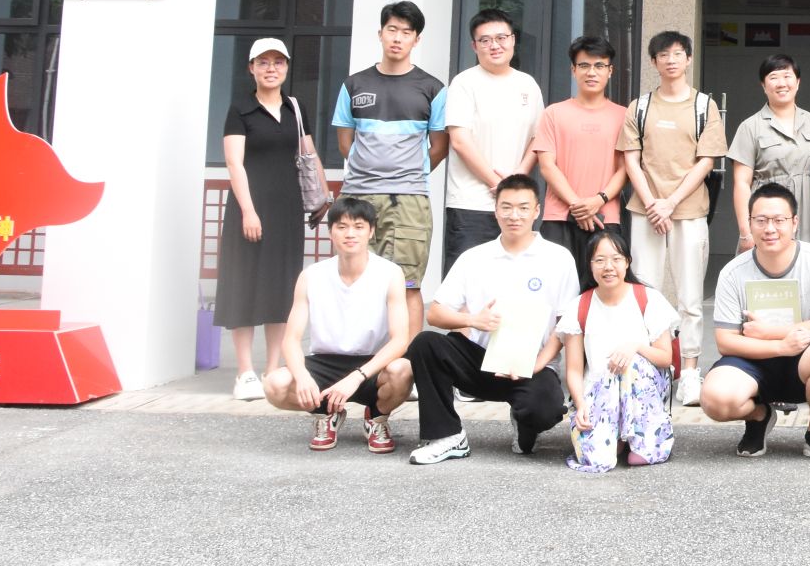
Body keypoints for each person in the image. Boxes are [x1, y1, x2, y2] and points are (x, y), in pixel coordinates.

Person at [405, 174, 581, 465]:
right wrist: (473, 320)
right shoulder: (474, 258)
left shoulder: (558, 258)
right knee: (426, 344)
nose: (514, 215)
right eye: (506, 207)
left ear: (537, 211)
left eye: (523, 208)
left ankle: (524, 422)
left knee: (545, 409)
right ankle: (447, 435)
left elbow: (566, 324)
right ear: (495, 210)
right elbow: (435, 313)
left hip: (532, 365)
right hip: (480, 360)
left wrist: (537, 363)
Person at [700, 182, 810, 464]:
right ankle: (759, 416)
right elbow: (725, 341)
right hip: (753, 362)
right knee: (715, 399)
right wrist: (781, 346)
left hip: (805, 359)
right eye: (761, 220)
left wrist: (771, 332)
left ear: (794, 223)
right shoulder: (733, 272)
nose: (770, 228)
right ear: (749, 224)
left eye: (779, 220)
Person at [620, 30, 728, 407]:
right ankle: (649, 367)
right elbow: (631, 159)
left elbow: (707, 160)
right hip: (645, 210)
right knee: (645, 292)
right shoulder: (640, 106)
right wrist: (653, 202)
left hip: (689, 210)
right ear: (653, 62)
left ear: (688, 59)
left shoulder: (703, 106)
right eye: (663, 55)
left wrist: (670, 202)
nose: (671, 60)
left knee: (691, 296)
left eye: (678, 54)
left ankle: (691, 371)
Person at [333, 2, 448, 341]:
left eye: (406, 32)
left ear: (417, 39)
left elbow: (439, 147)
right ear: (380, 34)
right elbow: (345, 143)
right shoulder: (354, 85)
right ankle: (354, 356)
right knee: (352, 280)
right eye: (392, 30)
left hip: (408, 199)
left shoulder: (432, 88)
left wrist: (407, 173)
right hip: (357, 196)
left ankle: (407, 363)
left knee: (407, 283)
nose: (398, 38)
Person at [263, 196, 413, 453]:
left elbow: (400, 339)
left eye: (358, 226)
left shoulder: (390, 273)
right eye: (342, 227)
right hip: (324, 362)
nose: (350, 234)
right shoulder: (311, 276)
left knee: (403, 370)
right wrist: (302, 377)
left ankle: (376, 417)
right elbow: (291, 339)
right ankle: (326, 413)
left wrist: (357, 377)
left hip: (371, 364)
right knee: (274, 385)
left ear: (371, 231)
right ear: (331, 232)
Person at [216, 37, 318, 401]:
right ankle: (244, 372)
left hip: (287, 211)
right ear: (251, 68)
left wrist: (321, 197)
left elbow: (309, 154)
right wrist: (248, 210)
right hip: (249, 210)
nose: (271, 68)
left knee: (281, 290)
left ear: (287, 67)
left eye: (278, 62)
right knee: (243, 286)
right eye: (263, 62)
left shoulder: (296, 109)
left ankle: (272, 368)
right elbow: (234, 163)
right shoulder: (240, 109)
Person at [562, 229, 676, 474]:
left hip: (643, 388)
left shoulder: (648, 298)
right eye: (599, 260)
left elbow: (665, 358)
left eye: (616, 259)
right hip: (598, 389)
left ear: (627, 262)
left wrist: (635, 347)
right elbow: (574, 370)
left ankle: (641, 439)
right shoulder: (579, 305)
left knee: (631, 363)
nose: (608, 267)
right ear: (590, 265)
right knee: (597, 460)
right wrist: (580, 404)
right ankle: (617, 436)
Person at [441, 8, 544, 278]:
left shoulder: (528, 85)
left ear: (513, 40)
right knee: (466, 281)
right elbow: (460, 141)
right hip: (471, 203)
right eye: (485, 40)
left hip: (517, 207)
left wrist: (518, 177)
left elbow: (538, 138)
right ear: (474, 46)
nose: (494, 45)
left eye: (501, 38)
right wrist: (498, 184)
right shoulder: (464, 83)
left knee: (514, 280)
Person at [531, 34, 628, 289]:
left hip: (605, 217)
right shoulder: (553, 113)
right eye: (584, 65)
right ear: (573, 70)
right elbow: (546, 165)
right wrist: (577, 205)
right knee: (554, 289)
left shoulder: (624, 116)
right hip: (559, 217)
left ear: (610, 71)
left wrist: (598, 200)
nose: (591, 72)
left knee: (603, 291)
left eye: (599, 66)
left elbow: (625, 168)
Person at [729, 54, 810, 247]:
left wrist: (799, 188)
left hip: (806, 214)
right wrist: (746, 232)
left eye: (787, 76)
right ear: (764, 86)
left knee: (805, 262)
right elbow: (742, 183)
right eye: (773, 77)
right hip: (766, 216)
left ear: (797, 82)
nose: (781, 83)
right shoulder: (750, 127)